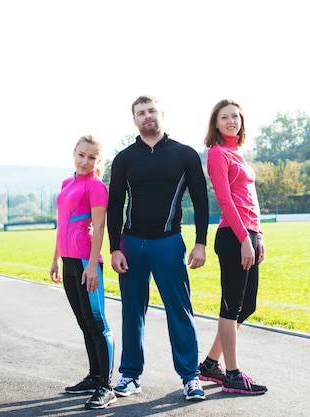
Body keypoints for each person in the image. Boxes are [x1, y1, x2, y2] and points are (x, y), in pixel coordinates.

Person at [107, 95, 209, 401]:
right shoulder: (124, 159)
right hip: (132, 244)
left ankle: (191, 377)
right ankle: (130, 376)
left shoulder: (184, 154)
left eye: (151, 110)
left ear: (161, 114)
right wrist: (114, 248)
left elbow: (201, 200)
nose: (147, 116)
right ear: (134, 120)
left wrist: (201, 242)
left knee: (180, 310)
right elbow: (114, 206)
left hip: (168, 242)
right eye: (141, 113)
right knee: (132, 310)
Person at [198, 99, 268, 395]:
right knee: (231, 307)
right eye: (224, 117)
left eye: (235, 117)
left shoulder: (238, 154)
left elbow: (251, 199)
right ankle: (233, 374)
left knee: (246, 306)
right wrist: (243, 240)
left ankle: (211, 364)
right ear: (215, 123)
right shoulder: (217, 153)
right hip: (232, 236)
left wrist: (258, 236)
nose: (230, 121)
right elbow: (225, 201)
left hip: (248, 234)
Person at [50, 135, 116, 410]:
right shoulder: (67, 184)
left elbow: (99, 228)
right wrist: (55, 260)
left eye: (92, 157)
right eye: (81, 155)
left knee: (97, 322)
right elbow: (61, 223)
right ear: (74, 154)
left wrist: (91, 265)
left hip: (87, 262)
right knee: (84, 322)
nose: (85, 161)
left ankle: (107, 386)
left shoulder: (97, 187)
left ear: (98, 161)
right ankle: (94, 376)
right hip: (67, 261)